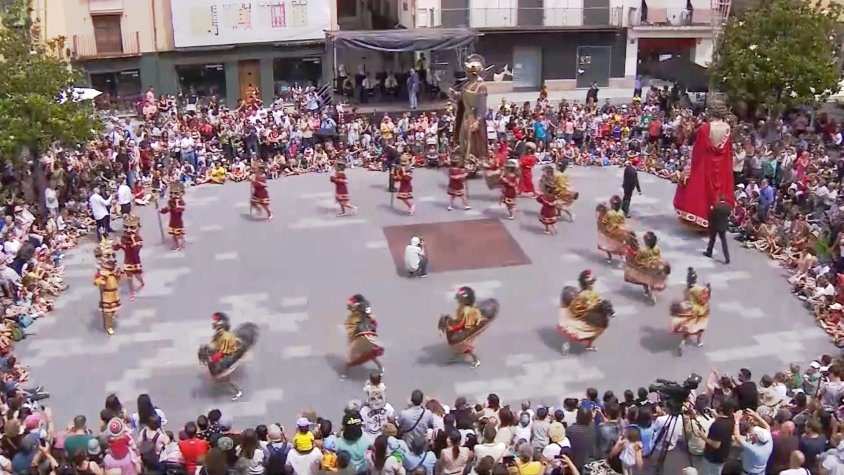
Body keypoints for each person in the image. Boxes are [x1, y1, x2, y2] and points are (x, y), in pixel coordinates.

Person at [674, 98, 735, 229]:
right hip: (721, 166)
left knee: (700, 190)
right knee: (717, 194)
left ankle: (701, 219)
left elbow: (698, 150)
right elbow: (728, 151)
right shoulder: (727, 128)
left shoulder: (705, 128)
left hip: (706, 163)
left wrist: (692, 167)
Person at [438, 286, 499, 368]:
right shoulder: (463, 307)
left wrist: (452, 328)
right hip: (467, 323)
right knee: (456, 342)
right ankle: (458, 353)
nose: (458, 299)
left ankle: (475, 360)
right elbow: (460, 320)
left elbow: (462, 324)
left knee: (464, 345)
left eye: (460, 298)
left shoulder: (466, 311)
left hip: (470, 327)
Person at [558, 270, 615, 354]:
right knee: (574, 332)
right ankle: (566, 345)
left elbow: (597, 298)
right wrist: (592, 307)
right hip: (583, 315)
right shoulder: (582, 295)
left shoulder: (592, 292)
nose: (592, 284)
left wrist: (602, 303)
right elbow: (577, 308)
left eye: (592, 282)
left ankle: (589, 345)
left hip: (594, 314)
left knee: (597, 330)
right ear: (586, 284)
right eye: (590, 283)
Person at [342, 294, 385, 380]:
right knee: (369, 353)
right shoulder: (364, 311)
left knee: (350, 359)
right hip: (364, 335)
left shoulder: (362, 313)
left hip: (362, 336)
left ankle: (344, 374)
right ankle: (381, 367)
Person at [670, 267, 710, 356]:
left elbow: (685, 299)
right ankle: (699, 341)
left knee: (688, 328)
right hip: (698, 310)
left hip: (687, 309)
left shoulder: (686, 289)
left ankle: (683, 342)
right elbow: (704, 299)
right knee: (700, 326)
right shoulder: (698, 289)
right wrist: (707, 289)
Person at [623, 231, 671, 302]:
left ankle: (647, 291)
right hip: (655, 266)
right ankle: (651, 290)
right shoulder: (656, 248)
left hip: (646, 267)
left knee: (643, 278)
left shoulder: (642, 250)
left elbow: (637, 260)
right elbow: (659, 257)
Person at [111, 215, 145, 301]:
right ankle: (132, 292)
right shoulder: (124, 238)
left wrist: (132, 240)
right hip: (127, 261)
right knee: (129, 278)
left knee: (137, 276)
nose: (128, 230)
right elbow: (116, 248)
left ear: (137, 228)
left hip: (135, 261)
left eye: (132, 227)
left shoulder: (138, 239)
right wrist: (115, 244)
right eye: (126, 227)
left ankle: (141, 282)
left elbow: (135, 251)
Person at [93, 237, 122, 336]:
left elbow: (120, 279)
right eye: (107, 256)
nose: (111, 259)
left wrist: (118, 274)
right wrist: (100, 281)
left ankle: (109, 319)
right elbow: (96, 281)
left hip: (114, 292)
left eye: (112, 256)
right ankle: (108, 326)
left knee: (113, 310)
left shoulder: (114, 269)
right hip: (106, 294)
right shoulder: (102, 271)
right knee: (108, 312)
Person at [700, 399, 735, 475]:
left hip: (713, 456)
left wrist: (702, 436)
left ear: (721, 408)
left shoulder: (717, 425)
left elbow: (716, 445)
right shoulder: (731, 420)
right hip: (724, 453)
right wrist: (715, 415)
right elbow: (723, 420)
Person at [596, 196, 632, 263]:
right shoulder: (621, 212)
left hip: (610, 231)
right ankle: (623, 258)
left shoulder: (609, 213)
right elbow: (622, 222)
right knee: (621, 245)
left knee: (607, 243)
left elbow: (604, 222)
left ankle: (609, 258)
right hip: (619, 230)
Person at [703, 195, 732, 264]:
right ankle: (727, 258)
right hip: (723, 226)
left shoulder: (716, 206)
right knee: (724, 242)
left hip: (715, 226)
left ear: (718, 199)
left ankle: (709, 252)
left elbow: (712, 216)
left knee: (712, 240)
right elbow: (728, 214)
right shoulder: (728, 206)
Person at [159, 181, 186, 251]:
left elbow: (178, 210)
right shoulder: (170, 202)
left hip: (178, 222)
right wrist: (161, 210)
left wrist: (177, 203)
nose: (173, 195)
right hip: (172, 222)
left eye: (176, 193)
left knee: (178, 235)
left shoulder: (181, 203)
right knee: (174, 236)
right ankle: (176, 244)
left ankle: (180, 245)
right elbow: (167, 209)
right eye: (172, 193)